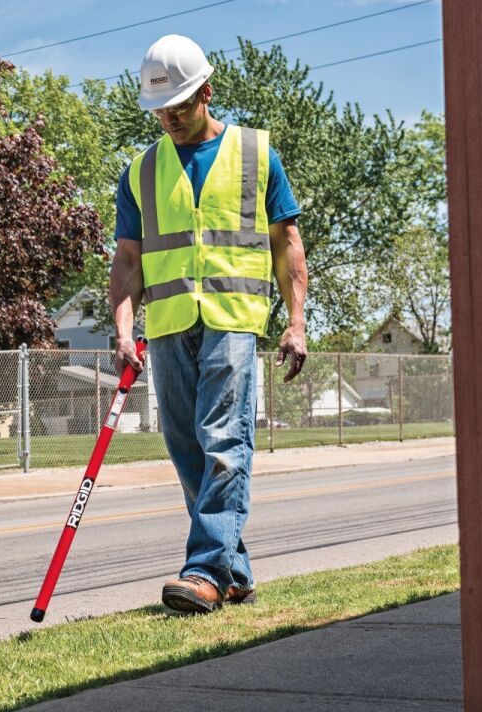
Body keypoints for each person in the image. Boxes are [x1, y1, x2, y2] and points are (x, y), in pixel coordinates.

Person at [110, 34, 309, 613]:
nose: (168, 119)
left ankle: (202, 569)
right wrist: (123, 328)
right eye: (159, 110)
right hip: (168, 322)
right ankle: (233, 569)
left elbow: (287, 244)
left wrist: (295, 324)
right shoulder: (141, 170)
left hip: (234, 317)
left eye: (178, 106)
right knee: (186, 447)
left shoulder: (255, 153)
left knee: (224, 441)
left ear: (206, 93)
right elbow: (127, 259)